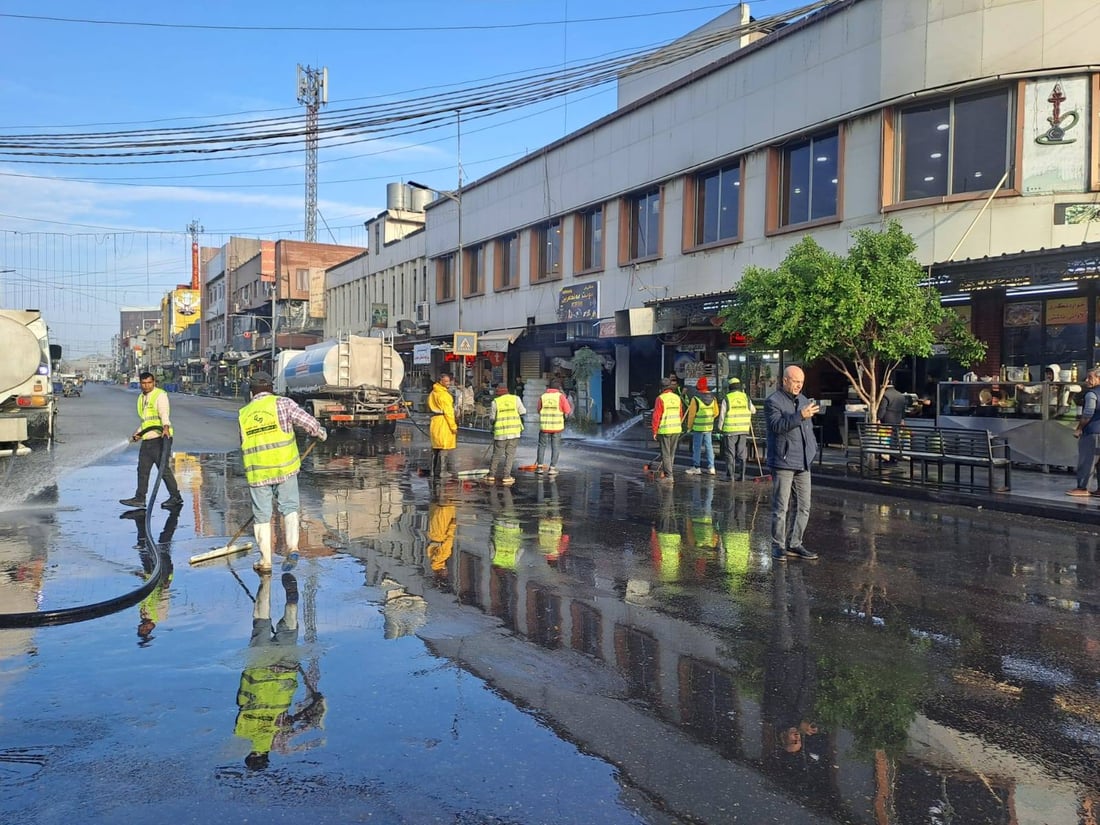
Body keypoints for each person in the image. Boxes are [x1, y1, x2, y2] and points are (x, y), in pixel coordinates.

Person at [234, 572, 325, 771]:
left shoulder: (278, 739)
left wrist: (315, 705)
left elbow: (299, 720)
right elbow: (241, 702)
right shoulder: (241, 735)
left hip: (285, 673)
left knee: (289, 633)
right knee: (261, 622)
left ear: (266, 756)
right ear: (250, 755)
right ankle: (265, 582)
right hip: (258, 669)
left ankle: (291, 608)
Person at [238, 371, 326, 574]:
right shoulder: (283, 403)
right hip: (284, 467)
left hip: (257, 472)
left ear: (252, 391)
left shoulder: (243, 414)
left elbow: (243, 443)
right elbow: (310, 424)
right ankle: (293, 548)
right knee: (289, 507)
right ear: (271, 387)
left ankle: (265, 561)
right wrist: (321, 433)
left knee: (261, 516)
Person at [765, 365, 820, 561]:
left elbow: (808, 430)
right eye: (795, 381)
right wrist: (800, 416)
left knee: (804, 506)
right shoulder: (773, 401)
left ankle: (795, 543)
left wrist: (813, 449)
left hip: (804, 461)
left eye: (801, 382)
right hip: (783, 460)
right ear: (785, 381)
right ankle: (778, 545)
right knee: (781, 507)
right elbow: (777, 426)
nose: (799, 385)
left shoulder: (804, 400)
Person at [119, 372, 184, 510]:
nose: (146, 385)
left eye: (149, 382)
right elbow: (146, 421)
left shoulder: (159, 395)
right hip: (148, 439)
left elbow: (163, 413)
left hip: (160, 438)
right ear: (140, 383)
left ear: (154, 382)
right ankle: (140, 498)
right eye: (144, 383)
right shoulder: (141, 398)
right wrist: (138, 434)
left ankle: (175, 497)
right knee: (142, 469)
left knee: (163, 469)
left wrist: (165, 427)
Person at [1067, 368, 1100, 497]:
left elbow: (1088, 414)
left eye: (1090, 377)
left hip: (1092, 432)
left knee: (1087, 461)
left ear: (1098, 378)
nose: (1086, 380)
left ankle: (1083, 488)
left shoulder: (1091, 394)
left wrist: (1079, 428)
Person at [486, 383, 526, 485]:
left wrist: (493, 425)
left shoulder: (495, 402)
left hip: (500, 433)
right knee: (510, 455)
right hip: (514, 432)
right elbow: (523, 412)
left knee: (496, 455)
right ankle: (506, 476)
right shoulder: (516, 399)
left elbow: (492, 419)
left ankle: (491, 475)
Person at [717, 376, 755, 481]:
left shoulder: (727, 398)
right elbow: (753, 410)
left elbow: (722, 415)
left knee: (730, 453)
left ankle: (730, 476)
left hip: (730, 431)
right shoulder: (746, 397)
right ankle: (742, 476)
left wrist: (720, 427)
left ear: (730, 387)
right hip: (743, 430)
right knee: (741, 453)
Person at [535, 378, 573, 475]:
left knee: (542, 446)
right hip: (557, 427)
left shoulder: (543, 396)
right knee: (555, 447)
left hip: (544, 426)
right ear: (559, 388)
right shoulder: (560, 397)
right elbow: (567, 411)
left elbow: (538, 410)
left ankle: (539, 467)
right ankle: (552, 468)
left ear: (549, 387)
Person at [651, 378, 684, 482]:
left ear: (661, 388)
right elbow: (680, 414)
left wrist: (654, 431)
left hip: (665, 430)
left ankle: (669, 476)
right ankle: (668, 472)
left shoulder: (660, 398)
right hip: (676, 429)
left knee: (665, 453)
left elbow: (656, 416)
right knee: (671, 454)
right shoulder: (677, 398)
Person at [685, 376, 718, 475]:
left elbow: (691, 415)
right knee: (709, 446)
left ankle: (696, 467)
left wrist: (689, 427)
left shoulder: (695, 399)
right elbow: (716, 412)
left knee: (697, 447)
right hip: (708, 427)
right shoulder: (713, 398)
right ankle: (711, 467)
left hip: (698, 427)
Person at [428, 373, 458, 478]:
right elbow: (449, 413)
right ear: (441, 382)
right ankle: (442, 471)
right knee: (444, 446)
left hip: (435, 421)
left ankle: (433, 471)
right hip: (443, 422)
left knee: (435, 447)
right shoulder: (445, 395)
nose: (448, 383)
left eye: (449, 381)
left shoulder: (433, 393)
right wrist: (453, 427)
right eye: (446, 381)